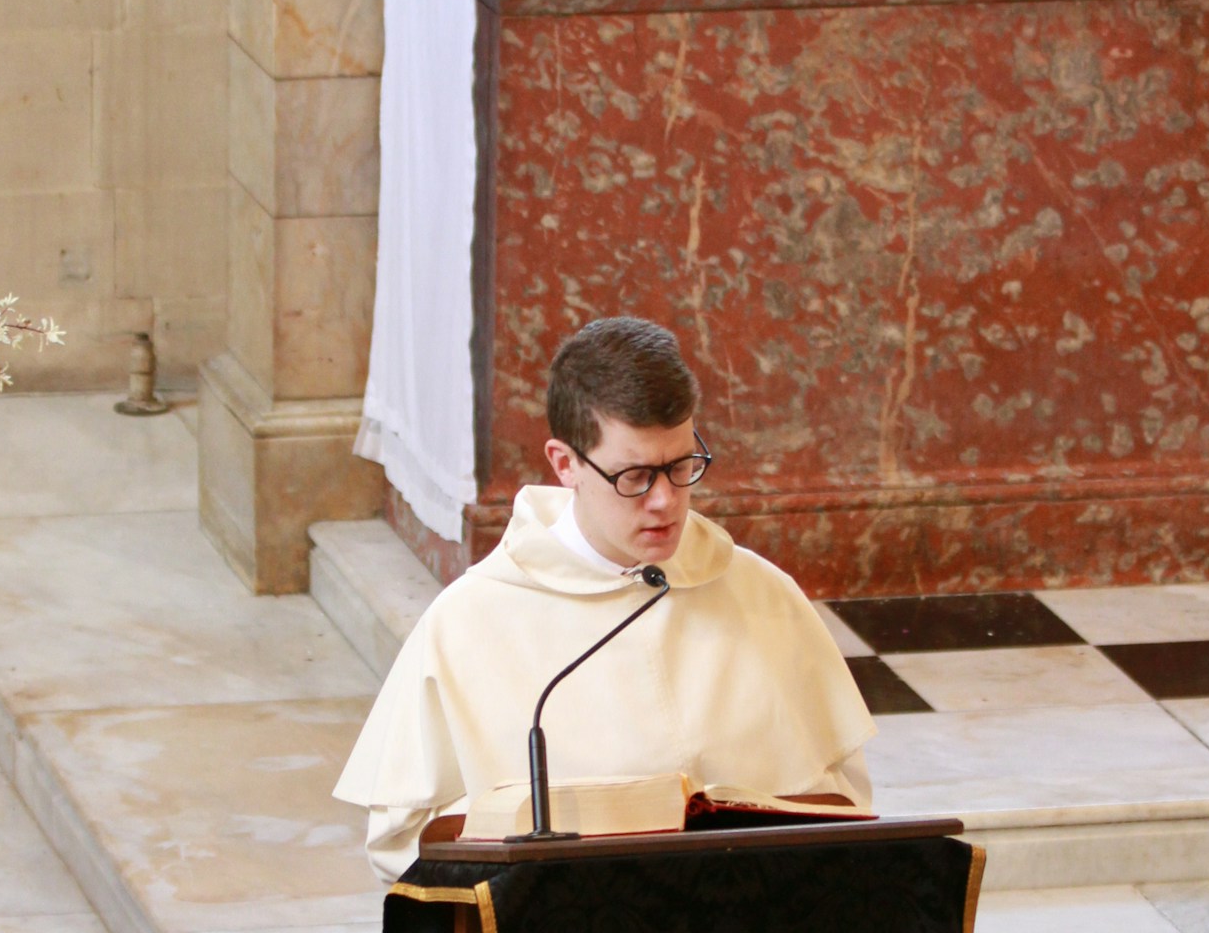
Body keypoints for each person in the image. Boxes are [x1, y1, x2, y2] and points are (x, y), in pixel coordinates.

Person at [334, 315, 874, 878]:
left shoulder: (761, 594)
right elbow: (402, 844)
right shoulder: (469, 622)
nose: (665, 501)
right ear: (565, 463)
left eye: (682, 466)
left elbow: (845, 799)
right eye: (635, 476)